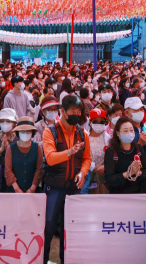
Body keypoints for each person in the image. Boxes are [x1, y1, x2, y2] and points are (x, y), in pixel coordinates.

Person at [42, 95, 91, 264]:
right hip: (54, 187)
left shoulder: (83, 133)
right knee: (48, 227)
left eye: (79, 112)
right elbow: (50, 158)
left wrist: (83, 173)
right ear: (62, 111)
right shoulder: (50, 131)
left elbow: (87, 158)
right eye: (73, 112)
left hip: (73, 188)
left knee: (69, 228)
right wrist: (69, 152)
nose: (76, 115)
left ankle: (66, 260)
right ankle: (43, 259)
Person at [104, 117, 146, 194]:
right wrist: (129, 173)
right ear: (118, 133)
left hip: (136, 193)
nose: (129, 133)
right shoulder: (111, 152)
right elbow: (110, 179)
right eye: (125, 131)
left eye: (131, 130)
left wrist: (138, 172)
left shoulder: (138, 149)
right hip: (117, 194)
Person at [124, 96, 146, 188]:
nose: (140, 112)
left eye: (141, 109)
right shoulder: (124, 131)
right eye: (136, 110)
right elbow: (124, 154)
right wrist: (139, 144)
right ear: (127, 112)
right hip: (134, 180)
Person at [4, 117, 43, 193]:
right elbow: (8, 170)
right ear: (18, 132)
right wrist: (16, 188)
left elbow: (39, 169)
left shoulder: (37, 147)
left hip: (33, 192)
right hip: (13, 191)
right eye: (22, 131)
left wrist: (32, 188)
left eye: (28, 131)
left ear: (32, 132)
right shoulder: (10, 148)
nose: (25, 133)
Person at [86, 108, 110, 194]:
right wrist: (93, 167)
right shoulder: (85, 137)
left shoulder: (108, 138)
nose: (99, 124)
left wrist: (105, 167)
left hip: (104, 176)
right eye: (95, 121)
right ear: (90, 122)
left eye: (102, 122)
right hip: (87, 175)